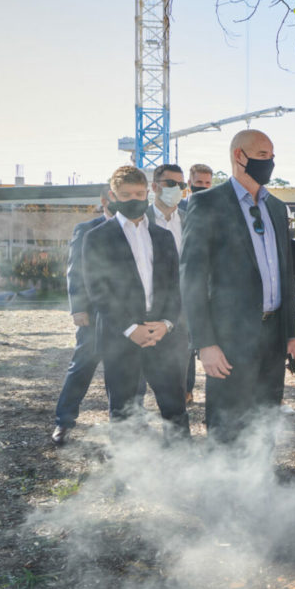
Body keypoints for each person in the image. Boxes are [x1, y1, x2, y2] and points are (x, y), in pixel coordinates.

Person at [180, 129, 295, 444]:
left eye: (272, 156)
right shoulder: (207, 204)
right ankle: (224, 491)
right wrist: (204, 343)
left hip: (273, 338)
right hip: (228, 339)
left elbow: (285, 275)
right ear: (239, 156)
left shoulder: (276, 207)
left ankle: (259, 485)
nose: (270, 162)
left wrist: (292, 334)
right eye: (263, 155)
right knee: (227, 427)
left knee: (265, 423)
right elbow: (191, 278)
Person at [82, 166, 190, 440]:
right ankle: (126, 474)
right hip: (121, 338)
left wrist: (166, 323)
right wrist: (131, 328)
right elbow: (98, 291)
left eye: (139, 193)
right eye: (126, 194)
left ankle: (183, 467)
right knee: (122, 411)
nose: (134, 199)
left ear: (148, 192)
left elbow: (174, 286)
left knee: (174, 407)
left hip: (162, 334)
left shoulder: (163, 237)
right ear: (113, 196)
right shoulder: (97, 238)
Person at [51, 186, 115, 445]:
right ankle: (63, 422)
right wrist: (78, 307)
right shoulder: (86, 229)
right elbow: (75, 269)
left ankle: (122, 427)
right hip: (93, 313)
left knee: (125, 372)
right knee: (82, 367)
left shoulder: (139, 227)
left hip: (127, 313)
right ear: (105, 200)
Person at [148, 164, 197, 404]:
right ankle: (131, 436)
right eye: (170, 184)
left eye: (181, 185)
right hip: (144, 314)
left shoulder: (190, 222)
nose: (176, 189)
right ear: (155, 187)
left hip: (180, 315)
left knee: (177, 384)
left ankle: (176, 436)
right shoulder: (138, 220)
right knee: (132, 388)